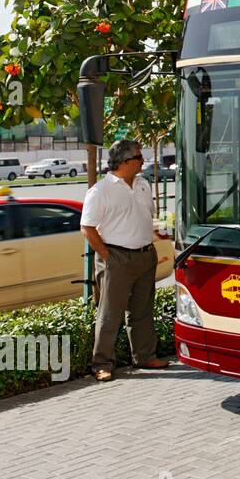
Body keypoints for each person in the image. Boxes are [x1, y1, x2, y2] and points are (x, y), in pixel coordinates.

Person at [81, 138, 169, 382]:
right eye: (140, 157)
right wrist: (109, 258)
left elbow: (145, 217)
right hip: (116, 257)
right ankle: (101, 364)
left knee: (142, 311)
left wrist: (158, 232)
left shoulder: (143, 184)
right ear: (126, 161)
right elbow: (87, 228)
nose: (144, 161)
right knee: (110, 314)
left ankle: (145, 357)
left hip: (145, 255)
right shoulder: (100, 191)